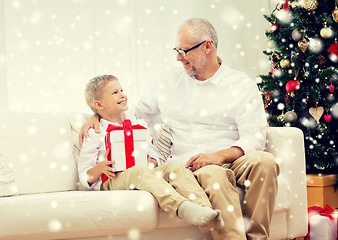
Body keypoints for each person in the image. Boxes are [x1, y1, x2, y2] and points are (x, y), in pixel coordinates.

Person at [80, 18, 279, 240]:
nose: (178, 58)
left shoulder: (241, 85)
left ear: (207, 46)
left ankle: (258, 238)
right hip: (190, 164)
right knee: (214, 173)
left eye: (184, 51)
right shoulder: (169, 81)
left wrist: (218, 156)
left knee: (266, 162)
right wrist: (96, 114)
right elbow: (132, 113)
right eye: (176, 50)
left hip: (231, 156)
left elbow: (255, 137)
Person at [78, 74, 224, 231]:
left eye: (122, 90)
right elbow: (84, 175)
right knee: (139, 171)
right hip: (113, 180)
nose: (122, 94)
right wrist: (100, 168)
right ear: (99, 105)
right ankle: (182, 207)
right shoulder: (95, 133)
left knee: (176, 167)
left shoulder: (137, 125)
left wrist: (151, 161)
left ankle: (203, 209)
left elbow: (152, 153)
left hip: (142, 172)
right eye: (115, 93)